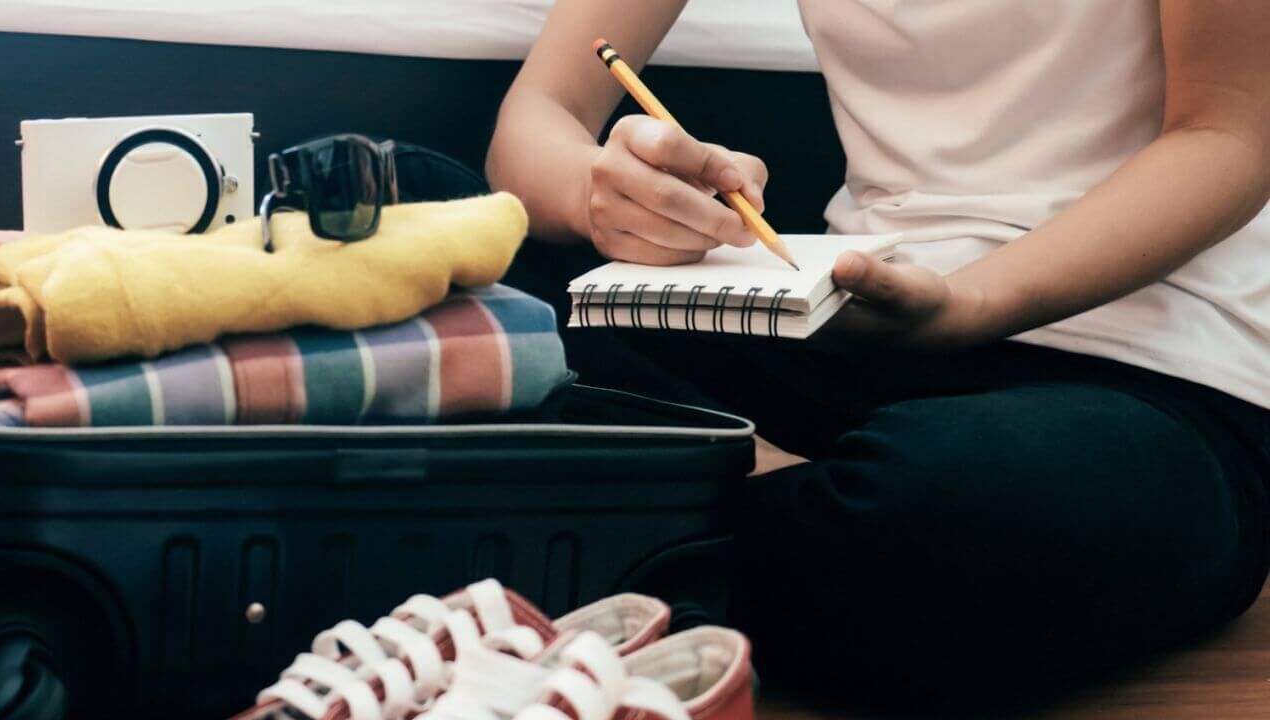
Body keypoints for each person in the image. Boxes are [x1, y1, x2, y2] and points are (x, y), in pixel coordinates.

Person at [487, 0, 1270, 708]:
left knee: (946, 520)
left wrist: (970, 302)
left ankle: (554, 523)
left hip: (1144, 359)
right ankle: (722, 523)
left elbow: (1230, 134)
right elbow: (538, 116)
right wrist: (605, 193)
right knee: (451, 222)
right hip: (859, 311)